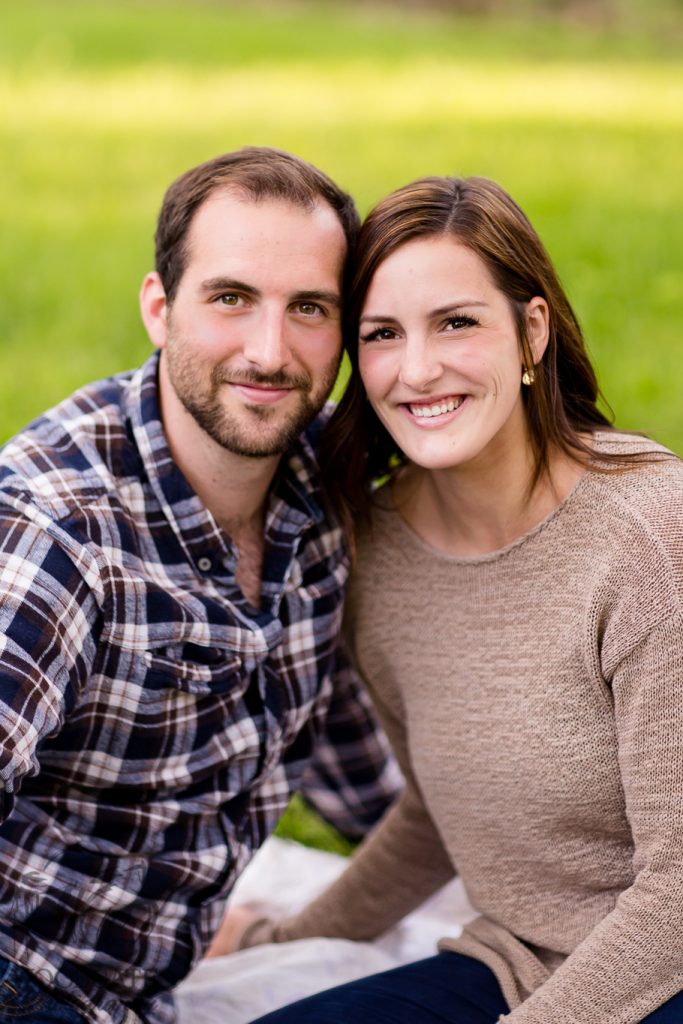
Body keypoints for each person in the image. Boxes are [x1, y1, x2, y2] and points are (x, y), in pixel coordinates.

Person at [214, 175, 683, 1024]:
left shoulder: (650, 538)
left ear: (529, 330)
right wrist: (275, 943)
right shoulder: (377, 551)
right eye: (382, 334)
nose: (418, 369)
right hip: (512, 962)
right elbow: (440, 810)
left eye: (456, 322)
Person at [0, 147, 400, 1024]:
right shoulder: (56, 534)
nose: (269, 351)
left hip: (140, 991)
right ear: (159, 307)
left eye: (308, 309)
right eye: (230, 298)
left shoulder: (323, 489)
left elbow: (330, 724)